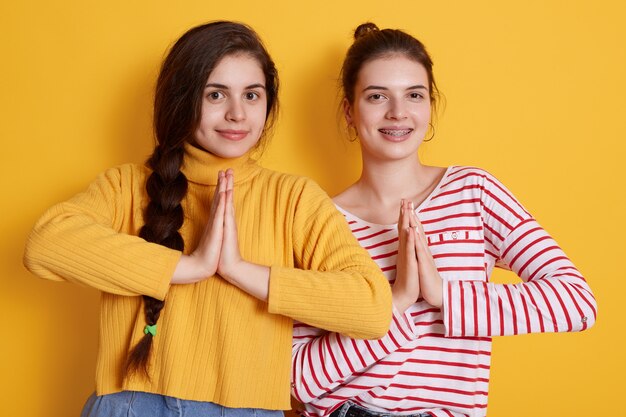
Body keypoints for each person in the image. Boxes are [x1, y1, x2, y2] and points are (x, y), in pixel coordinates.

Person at [22, 21, 393, 417]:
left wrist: (239, 270)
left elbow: (371, 308)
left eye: (252, 94)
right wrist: (188, 266)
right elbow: (45, 244)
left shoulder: (293, 198)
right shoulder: (127, 186)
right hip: (132, 405)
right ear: (182, 99)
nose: (237, 113)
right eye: (216, 94)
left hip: (250, 410)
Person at [291, 22, 597, 417]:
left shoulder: (474, 192)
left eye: (414, 95)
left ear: (430, 105)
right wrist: (394, 304)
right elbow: (297, 380)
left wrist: (442, 295)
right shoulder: (317, 219)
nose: (398, 112)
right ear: (349, 111)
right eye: (377, 96)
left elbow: (575, 301)